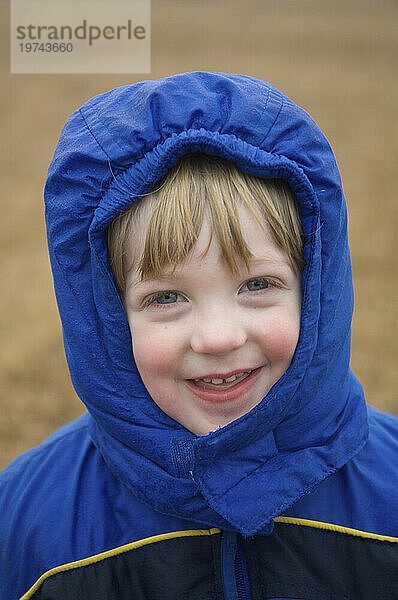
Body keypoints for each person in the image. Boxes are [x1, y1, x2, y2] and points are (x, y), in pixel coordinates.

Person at [1, 71, 397, 600]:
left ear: (317, 291)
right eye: (166, 297)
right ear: (107, 320)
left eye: (258, 284)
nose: (217, 337)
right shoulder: (26, 527)